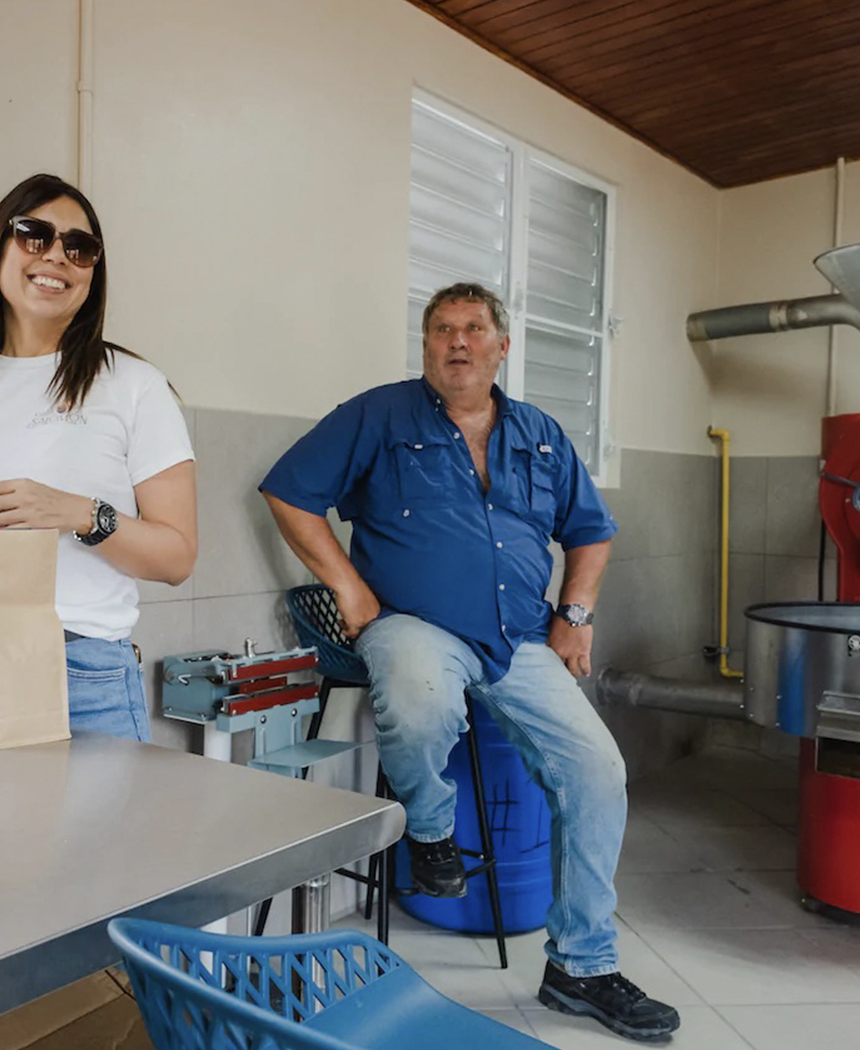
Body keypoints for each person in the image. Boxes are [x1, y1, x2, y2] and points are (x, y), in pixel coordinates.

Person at [259, 282, 678, 1041]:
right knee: (419, 694)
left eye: (474, 329)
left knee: (598, 772)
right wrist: (349, 588)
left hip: (519, 638)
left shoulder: (541, 434)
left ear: (501, 345)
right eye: (442, 330)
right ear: (426, 347)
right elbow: (288, 493)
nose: (458, 342)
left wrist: (576, 615)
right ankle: (431, 832)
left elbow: (591, 533)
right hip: (413, 626)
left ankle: (581, 967)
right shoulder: (379, 415)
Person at [0, 174, 196, 741]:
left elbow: (177, 558)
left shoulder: (133, 386)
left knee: (96, 835)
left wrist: (80, 514)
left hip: (80, 674)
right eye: (34, 235)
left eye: (79, 248)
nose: (57, 255)